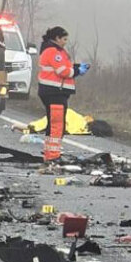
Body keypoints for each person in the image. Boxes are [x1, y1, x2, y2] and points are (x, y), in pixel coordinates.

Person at [37, 26, 88, 163]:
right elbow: (62, 71)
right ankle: (53, 155)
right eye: (64, 39)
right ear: (57, 38)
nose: (65, 42)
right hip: (55, 92)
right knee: (57, 125)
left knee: (54, 124)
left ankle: (50, 153)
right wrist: (77, 71)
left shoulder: (53, 51)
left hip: (54, 92)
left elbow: (65, 67)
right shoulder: (53, 52)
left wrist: (76, 67)